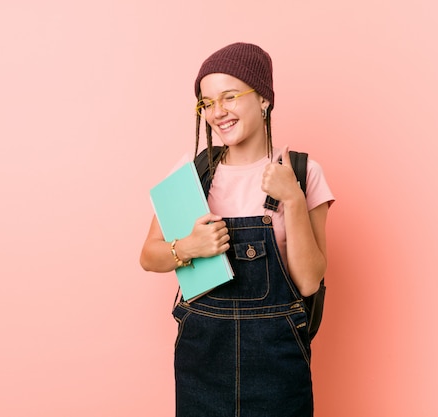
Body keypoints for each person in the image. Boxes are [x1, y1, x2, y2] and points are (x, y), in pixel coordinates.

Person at [140, 42, 334, 417]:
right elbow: (149, 256)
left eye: (229, 97)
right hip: (203, 359)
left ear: (263, 98)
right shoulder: (193, 172)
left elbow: (309, 282)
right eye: (207, 102)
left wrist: (291, 199)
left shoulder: (303, 172)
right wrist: (189, 247)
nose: (218, 112)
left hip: (278, 362)